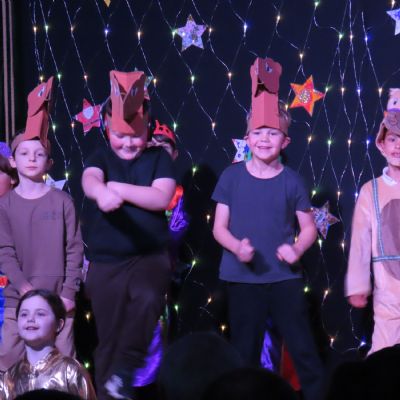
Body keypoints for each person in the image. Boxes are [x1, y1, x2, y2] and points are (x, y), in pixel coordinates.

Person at [212, 57, 323, 400]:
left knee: (303, 349)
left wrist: (297, 248)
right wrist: (237, 247)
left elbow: (308, 228)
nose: (264, 139)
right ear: (247, 138)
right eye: (258, 133)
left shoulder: (293, 181)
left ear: (285, 141)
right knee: (244, 353)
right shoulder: (231, 177)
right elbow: (219, 228)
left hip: (284, 278)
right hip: (244, 279)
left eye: (272, 133)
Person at [81, 70, 175, 400]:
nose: (128, 143)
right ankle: (110, 391)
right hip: (107, 261)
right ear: (107, 127)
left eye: (136, 136)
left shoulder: (158, 158)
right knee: (109, 337)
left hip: (149, 255)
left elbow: (161, 197)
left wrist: (117, 188)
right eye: (120, 135)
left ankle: (126, 369)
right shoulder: (100, 157)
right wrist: (100, 191)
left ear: (147, 129)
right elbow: (90, 180)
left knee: (148, 297)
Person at [0, 77, 83, 372]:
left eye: (39, 154)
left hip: (58, 300)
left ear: (49, 162)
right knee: (9, 362)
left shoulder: (62, 202)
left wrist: (68, 293)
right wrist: (25, 289)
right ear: (13, 161)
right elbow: (5, 252)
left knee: (62, 366)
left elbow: (74, 249)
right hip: (18, 300)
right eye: (24, 153)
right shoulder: (5, 206)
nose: (31, 159)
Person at [346, 99, 400, 354]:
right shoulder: (372, 190)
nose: (398, 145)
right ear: (381, 144)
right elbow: (360, 240)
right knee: (384, 351)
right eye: (392, 139)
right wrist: (357, 285)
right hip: (388, 289)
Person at [0, 289, 96, 399]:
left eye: (40, 314)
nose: (30, 319)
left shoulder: (72, 371)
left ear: (59, 325)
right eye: (24, 314)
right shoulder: (9, 378)